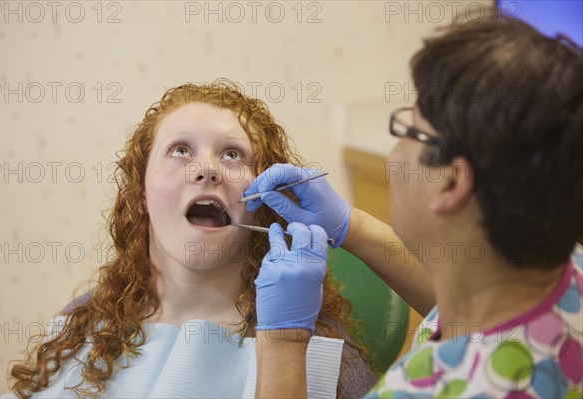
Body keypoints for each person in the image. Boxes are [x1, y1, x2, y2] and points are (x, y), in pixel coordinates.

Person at [250, 13, 583, 398]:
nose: (394, 154)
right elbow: (468, 309)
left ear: (452, 182)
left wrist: (283, 344)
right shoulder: (567, 269)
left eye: (408, 130)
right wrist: (350, 226)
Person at [3, 80, 376, 398]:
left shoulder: (325, 356)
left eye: (232, 155)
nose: (207, 170)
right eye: (181, 150)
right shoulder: (85, 322)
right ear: (140, 195)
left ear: (263, 201)